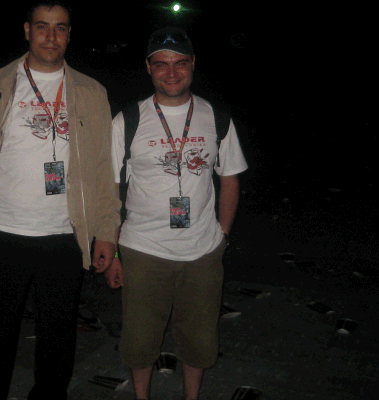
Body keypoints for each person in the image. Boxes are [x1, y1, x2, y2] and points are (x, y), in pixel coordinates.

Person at [0, 2, 120, 399]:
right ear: (27, 30)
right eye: (42, 27)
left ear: (69, 34)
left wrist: (106, 232)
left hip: (64, 235)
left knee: (58, 335)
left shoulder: (90, 92)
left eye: (60, 28)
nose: (51, 36)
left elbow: (103, 167)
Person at [106, 27, 248, 400]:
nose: (171, 72)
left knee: (199, 341)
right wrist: (114, 251)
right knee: (140, 341)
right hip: (143, 249)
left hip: (202, 251)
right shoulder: (127, 120)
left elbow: (230, 179)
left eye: (180, 63)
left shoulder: (215, 117)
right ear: (148, 67)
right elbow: (111, 189)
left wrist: (222, 237)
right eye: (161, 64)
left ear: (193, 64)